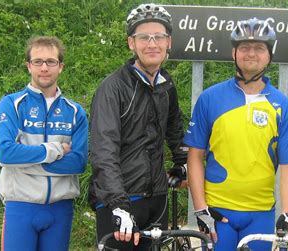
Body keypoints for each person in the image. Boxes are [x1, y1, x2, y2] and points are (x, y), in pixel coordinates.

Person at [184, 18, 288, 251]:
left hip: (260, 213)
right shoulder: (210, 98)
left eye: (259, 48)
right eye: (245, 47)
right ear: (234, 53)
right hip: (218, 211)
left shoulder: (282, 105)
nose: (251, 53)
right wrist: (200, 209)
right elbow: (195, 156)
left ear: (269, 55)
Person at [88, 3, 188, 250]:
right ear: (131, 43)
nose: (152, 44)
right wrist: (118, 204)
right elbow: (103, 151)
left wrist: (181, 162)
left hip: (156, 199)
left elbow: (174, 126)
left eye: (159, 37)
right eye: (144, 37)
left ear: (168, 42)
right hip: (121, 200)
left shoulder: (166, 84)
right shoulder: (113, 88)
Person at [0, 36, 88, 251]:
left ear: (61, 66)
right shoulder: (12, 104)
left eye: (51, 61)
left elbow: (78, 163)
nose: (44, 68)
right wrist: (54, 150)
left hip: (60, 209)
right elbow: (5, 153)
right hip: (20, 206)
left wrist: (25, 163)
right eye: (38, 62)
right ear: (28, 66)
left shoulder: (75, 112)